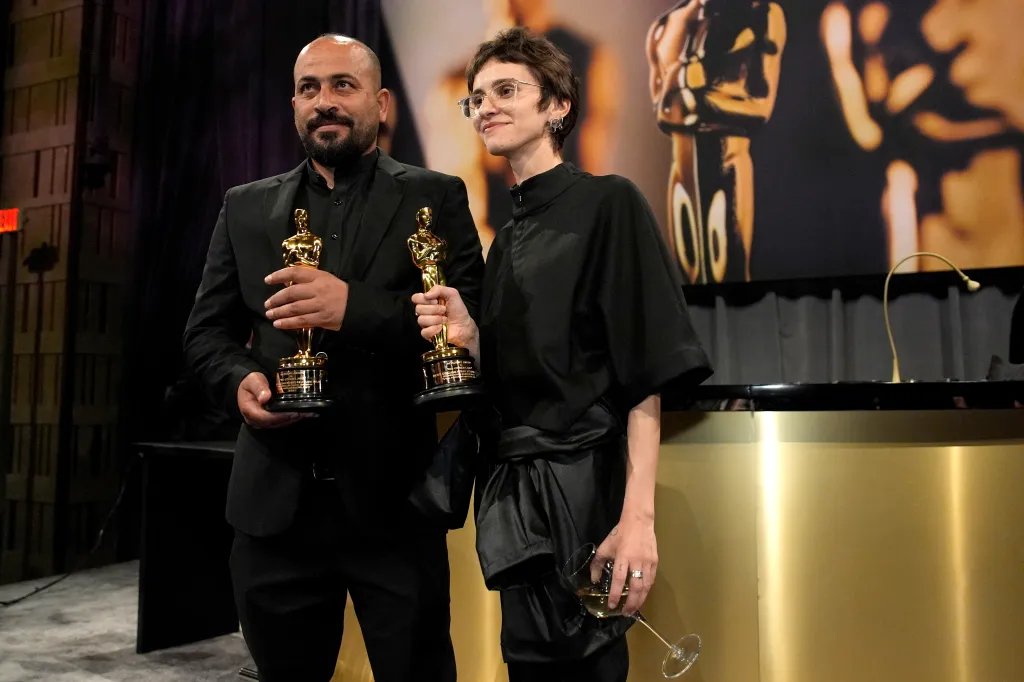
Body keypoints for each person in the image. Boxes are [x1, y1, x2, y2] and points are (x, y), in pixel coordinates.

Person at [183, 34, 484, 682]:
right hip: (273, 514)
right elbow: (205, 334)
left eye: (343, 86)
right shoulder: (245, 207)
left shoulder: (438, 196)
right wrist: (239, 381)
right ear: (293, 103)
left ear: (380, 102)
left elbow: (469, 326)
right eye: (310, 89)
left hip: (394, 507)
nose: (326, 102)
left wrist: (356, 309)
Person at [412, 27, 711, 681]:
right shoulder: (508, 236)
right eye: (477, 96)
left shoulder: (610, 205)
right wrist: (473, 333)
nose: (486, 105)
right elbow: (532, 370)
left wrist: (638, 522)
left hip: (584, 500)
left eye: (506, 90)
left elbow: (645, 376)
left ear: (558, 106)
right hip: (515, 506)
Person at [647, 0, 787, 283]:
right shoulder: (666, 26)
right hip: (681, 170)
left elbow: (761, 104)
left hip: (728, 162)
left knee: (729, 271)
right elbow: (661, 106)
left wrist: (698, 98)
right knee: (689, 274)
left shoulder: (761, 14)